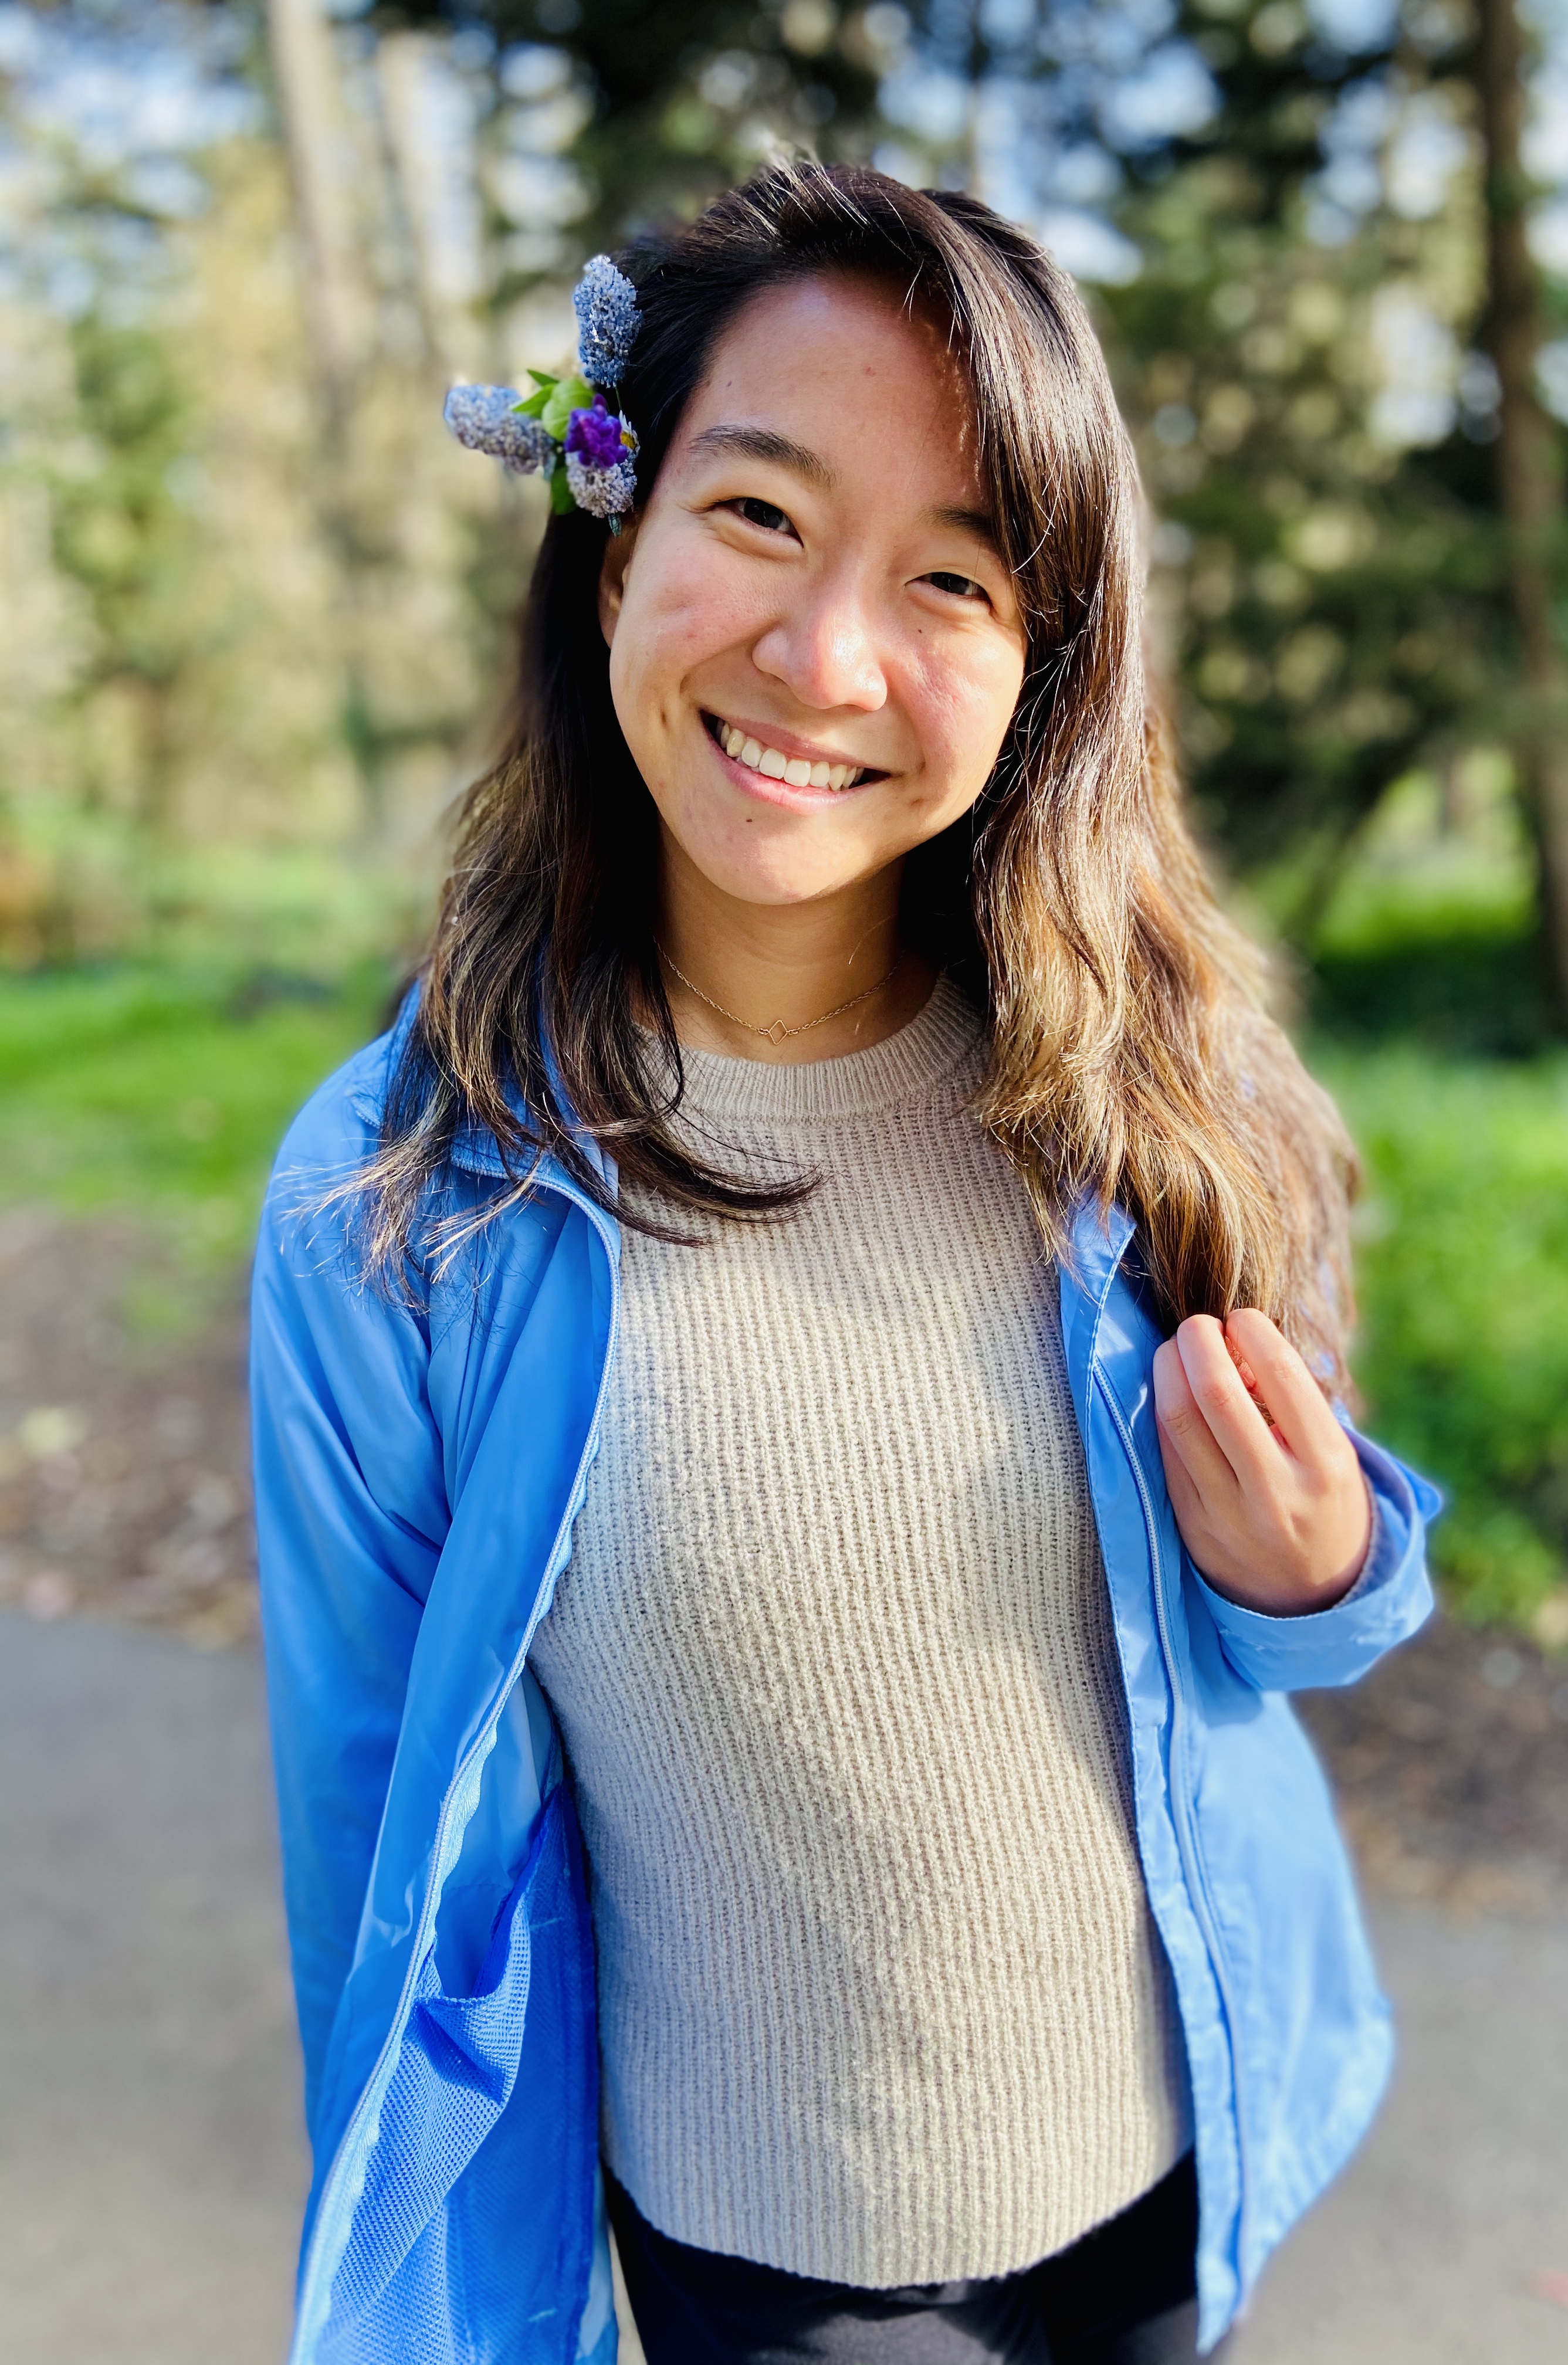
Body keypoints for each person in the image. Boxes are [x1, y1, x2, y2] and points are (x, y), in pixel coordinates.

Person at [251, 161, 1438, 2365]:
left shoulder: (1142, 1090)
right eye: (764, 520)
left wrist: (1317, 1561)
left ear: (1040, 668)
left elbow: (1306, 1610)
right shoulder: (400, 1199)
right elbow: (375, 1858)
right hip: (772, 2263)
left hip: (1177, 2179)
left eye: (955, 579)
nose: (825, 659)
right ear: (616, 541)